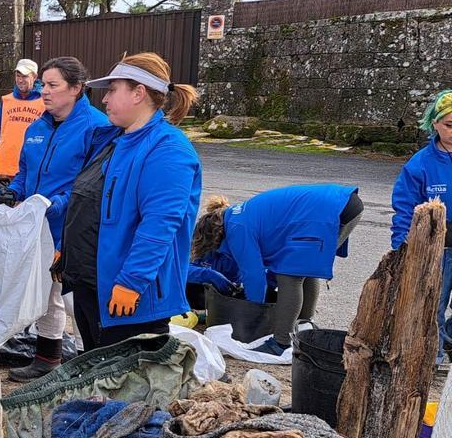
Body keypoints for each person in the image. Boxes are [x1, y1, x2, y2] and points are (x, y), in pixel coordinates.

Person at [60, 53, 202, 351]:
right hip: (92, 285)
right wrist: (66, 251)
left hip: (128, 300)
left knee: (127, 389)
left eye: (113, 90)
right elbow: (88, 200)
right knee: (96, 375)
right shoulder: (114, 140)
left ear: (138, 93)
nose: (105, 99)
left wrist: (132, 282)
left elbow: (160, 224)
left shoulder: (169, 149)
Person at [0, 56, 110, 381]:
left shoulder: (95, 127)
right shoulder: (38, 125)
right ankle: (47, 358)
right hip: (39, 225)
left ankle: (96, 366)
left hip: (73, 227)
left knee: (77, 300)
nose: (43, 91)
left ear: (75, 89)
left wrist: (54, 205)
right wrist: (12, 192)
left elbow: (90, 183)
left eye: (52, 85)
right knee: (47, 293)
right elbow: (25, 172)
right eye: (42, 84)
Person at [191, 185, 363, 355]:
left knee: (290, 276)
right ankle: (303, 325)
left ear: (216, 238)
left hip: (327, 211)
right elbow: (272, 261)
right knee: (305, 270)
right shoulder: (238, 216)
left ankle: (280, 343)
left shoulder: (236, 228)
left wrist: (253, 314)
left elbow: (254, 276)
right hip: (342, 204)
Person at [392, 89, 452, 362]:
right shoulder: (420, 164)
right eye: (449, 125)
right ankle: (433, 357)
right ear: (435, 124)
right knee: (433, 304)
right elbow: (405, 206)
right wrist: (402, 245)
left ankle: (447, 340)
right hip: (436, 248)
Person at [0, 59, 43, 180]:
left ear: (35, 76)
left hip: (31, 166)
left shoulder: (45, 102)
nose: (20, 80)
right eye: (18, 75)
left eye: (25, 76)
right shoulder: (7, 100)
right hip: (5, 166)